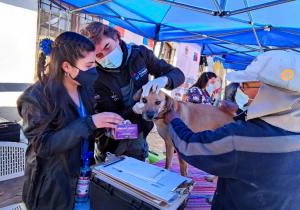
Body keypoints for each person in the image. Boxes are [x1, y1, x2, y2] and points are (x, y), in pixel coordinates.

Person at [165, 50, 300, 210]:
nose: (241, 90)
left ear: (269, 91)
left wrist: (174, 120)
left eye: (245, 85)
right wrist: (240, 113)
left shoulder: (242, 138)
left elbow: (191, 147)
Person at [17, 32, 124, 210]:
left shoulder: (85, 89)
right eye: (89, 65)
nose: (94, 71)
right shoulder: (35, 98)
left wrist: (105, 128)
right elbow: (43, 146)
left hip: (82, 178)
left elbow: (84, 129)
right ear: (67, 66)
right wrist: (91, 123)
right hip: (52, 189)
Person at [80, 22, 185, 162]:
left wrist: (164, 80)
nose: (106, 56)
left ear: (117, 37)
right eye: (99, 55)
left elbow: (178, 74)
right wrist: (132, 110)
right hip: (110, 145)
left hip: (139, 136)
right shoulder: (95, 77)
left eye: (107, 47)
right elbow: (100, 118)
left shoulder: (140, 55)